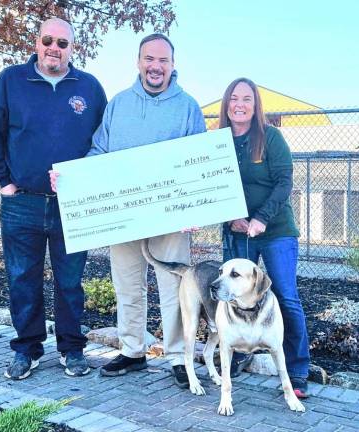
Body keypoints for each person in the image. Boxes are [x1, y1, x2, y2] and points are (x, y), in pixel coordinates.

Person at [53, 33, 206, 388]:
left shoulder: (188, 107)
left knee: (175, 288)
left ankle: (178, 357)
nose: (156, 66)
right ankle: (133, 350)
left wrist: (197, 205)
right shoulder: (118, 105)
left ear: (172, 65)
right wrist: (74, 178)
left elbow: (199, 160)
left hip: (170, 218)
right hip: (123, 216)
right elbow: (99, 152)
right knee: (127, 285)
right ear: (138, 62)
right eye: (149, 59)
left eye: (163, 61)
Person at [0, 17, 107, 380]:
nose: (55, 48)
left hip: (74, 205)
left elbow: (104, 143)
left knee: (70, 282)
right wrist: (4, 182)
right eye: (48, 40)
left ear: (72, 48)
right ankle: (28, 349)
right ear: (36, 42)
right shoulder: (11, 82)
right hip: (23, 203)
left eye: (63, 43)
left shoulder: (90, 88)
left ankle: (72, 349)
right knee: (22, 279)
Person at [219, 77, 310, 398]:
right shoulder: (217, 142)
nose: (239, 104)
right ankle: (237, 353)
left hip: (275, 232)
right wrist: (231, 216)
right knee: (232, 295)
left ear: (255, 105)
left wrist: (260, 219)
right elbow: (213, 186)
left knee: (285, 296)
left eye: (246, 99)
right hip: (236, 231)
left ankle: (298, 370)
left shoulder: (271, 137)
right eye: (234, 98)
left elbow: (285, 181)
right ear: (226, 104)